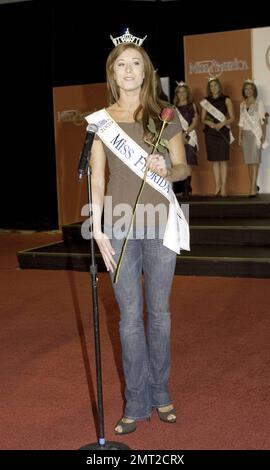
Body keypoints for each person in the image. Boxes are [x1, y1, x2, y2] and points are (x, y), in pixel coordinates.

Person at [85, 29, 189, 435]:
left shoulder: (165, 114)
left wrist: (168, 168)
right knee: (130, 318)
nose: (128, 70)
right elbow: (96, 178)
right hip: (119, 224)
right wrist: (97, 227)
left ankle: (162, 394)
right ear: (112, 74)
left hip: (161, 222)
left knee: (159, 314)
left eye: (135, 63)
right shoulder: (100, 122)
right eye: (120, 65)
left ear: (146, 70)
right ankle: (136, 401)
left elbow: (182, 169)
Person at [201, 77, 234, 197]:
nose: (213, 88)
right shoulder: (206, 101)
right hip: (211, 133)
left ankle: (224, 187)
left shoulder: (227, 99)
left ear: (219, 86)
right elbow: (202, 119)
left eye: (215, 85)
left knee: (223, 160)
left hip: (223, 132)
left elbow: (232, 118)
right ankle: (217, 186)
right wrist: (209, 123)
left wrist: (222, 123)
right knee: (214, 161)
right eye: (211, 86)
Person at [238, 79, 268, 197]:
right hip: (245, 135)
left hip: (255, 135)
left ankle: (252, 190)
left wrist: (263, 135)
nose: (248, 91)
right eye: (246, 89)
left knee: (255, 161)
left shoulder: (258, 103)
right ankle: (253, 185)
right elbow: (241, 122)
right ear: (244, 91)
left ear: (254, 90)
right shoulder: (242, 104)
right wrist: (240, 136)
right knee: (249, 162)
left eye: (251, 88)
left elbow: (263, 120)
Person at [173, 81, 199, 198]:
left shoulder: (192, 105)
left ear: (187, 93)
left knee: (189, 161)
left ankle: (187, 189)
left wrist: (186, 133)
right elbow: (173, 125)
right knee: (181, 162)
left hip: (190, 135)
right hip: (179, 137)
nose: (182, 94)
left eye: (184, 92)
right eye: (179, 92)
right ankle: (185, 187)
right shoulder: (174, 108)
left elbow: (195, 122)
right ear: (177, 94)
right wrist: (180, 136)